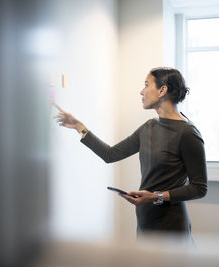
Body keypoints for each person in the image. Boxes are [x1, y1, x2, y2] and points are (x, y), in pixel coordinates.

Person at [54, 67, 207, 241]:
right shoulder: (149, 127)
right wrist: (79, 127)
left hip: (170, 225)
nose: (141, 91)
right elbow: (110, 154)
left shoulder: (188, 133)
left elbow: (199, 188)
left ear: (162, 90)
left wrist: (156, 197)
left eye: (146, 85)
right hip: (145, 221)